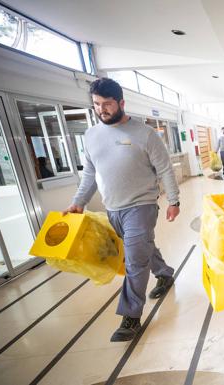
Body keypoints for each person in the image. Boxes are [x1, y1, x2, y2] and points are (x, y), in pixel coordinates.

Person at [63, 78, 180, 342]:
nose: (101, 109)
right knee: (142, 248)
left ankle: (131, 316)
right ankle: (164, 273)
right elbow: (90, 174)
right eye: (96, 104)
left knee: (135, 259)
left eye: (107, 104)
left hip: (142, 205)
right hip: (113, 208)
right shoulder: (91, 136)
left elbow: (164, 169)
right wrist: (78, 201)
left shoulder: (145, 134)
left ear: (121, 103)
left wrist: (174, 200)